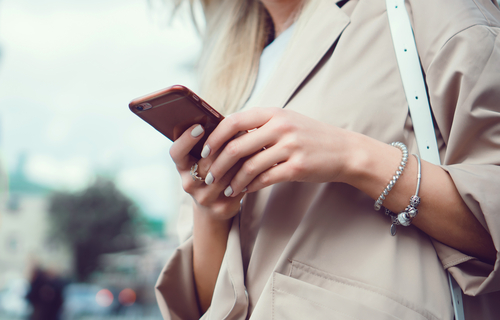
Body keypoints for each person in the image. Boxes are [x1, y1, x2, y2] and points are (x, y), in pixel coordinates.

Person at [156, 0, 500, 318]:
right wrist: (211, 213)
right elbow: (209, 306)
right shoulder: (229, 71)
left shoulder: (418, 8)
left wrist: (352, 157)